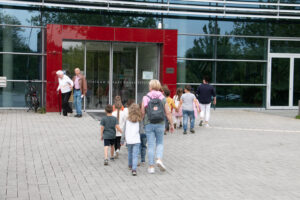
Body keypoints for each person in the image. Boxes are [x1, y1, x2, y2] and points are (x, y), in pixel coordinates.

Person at [141, 79, 174, 174]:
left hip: (149, 123)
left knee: (151, 145)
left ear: (150, 87)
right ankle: (159, 159)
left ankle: (151, 167)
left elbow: (143, 112)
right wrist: (171, 124)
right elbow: (168, 112)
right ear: (159, 87)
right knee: (160, 142)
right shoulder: (162, 97)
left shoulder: (145, 97)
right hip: (160, 123)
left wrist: (141, 123)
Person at [121, 103, 142, 176]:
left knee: (130, 153)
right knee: (135, 155)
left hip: (129, 140)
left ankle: (130, 165)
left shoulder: (127, 120)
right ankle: (134, 169)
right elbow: (141, 131)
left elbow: (124, 130)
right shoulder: (139, 120)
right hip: (136, 140)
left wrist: (122, 140)